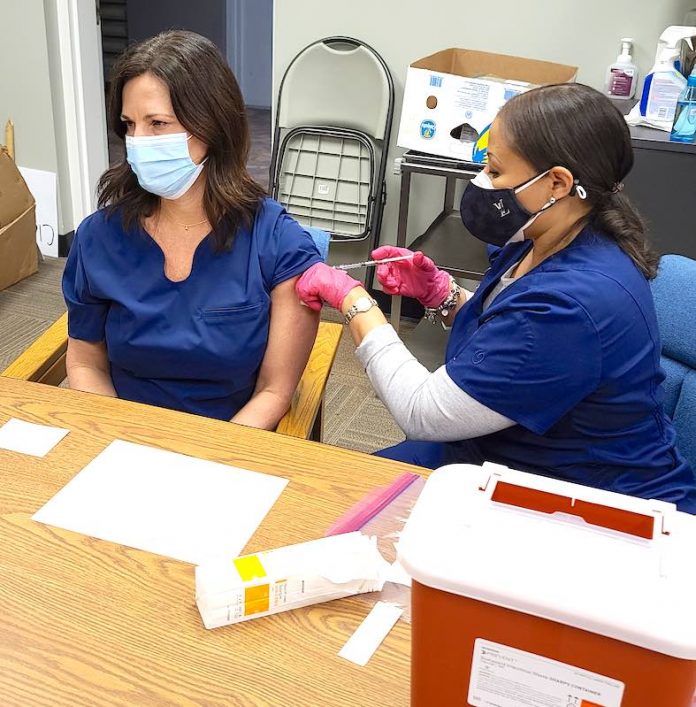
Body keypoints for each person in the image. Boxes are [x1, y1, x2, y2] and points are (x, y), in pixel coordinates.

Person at [296, 83, 696, 512]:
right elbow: (514, 336)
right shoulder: (548, 237)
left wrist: (356, 302)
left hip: (587, 503)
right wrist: (443, 295)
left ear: (557, 183)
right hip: (500, 452)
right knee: (330, 494)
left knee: (337, 515)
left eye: (495, 169)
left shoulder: (574, 306)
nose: (482, 182)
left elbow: (422, 411)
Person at [63, 31, 322, 429]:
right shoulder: (99, 237)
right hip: (122, 438)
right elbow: (85, 362)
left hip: (230, 442)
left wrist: (209, 458)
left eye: (158, 124)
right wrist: (116, 439)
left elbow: (274, 390)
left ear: (211, 125)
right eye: (129, 125)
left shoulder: (275, 243)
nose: (138, 142)